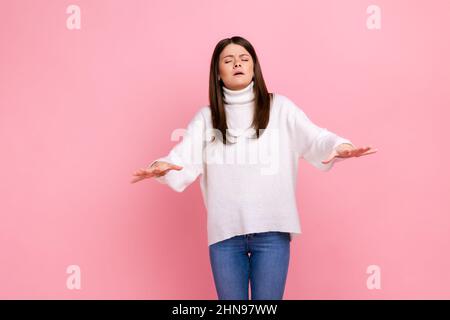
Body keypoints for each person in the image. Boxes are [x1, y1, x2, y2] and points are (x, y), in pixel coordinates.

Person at [131, 36, 377, 300]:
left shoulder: (279, 107)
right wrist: (161, 166)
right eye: (228, 60)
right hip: (225, 236)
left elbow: (315, 138)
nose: (237, 63)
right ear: (218, 73)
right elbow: (183, 157)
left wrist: (339, 146)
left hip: (272, 232)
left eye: (244, 58)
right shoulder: (207, 117)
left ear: (254, 67)